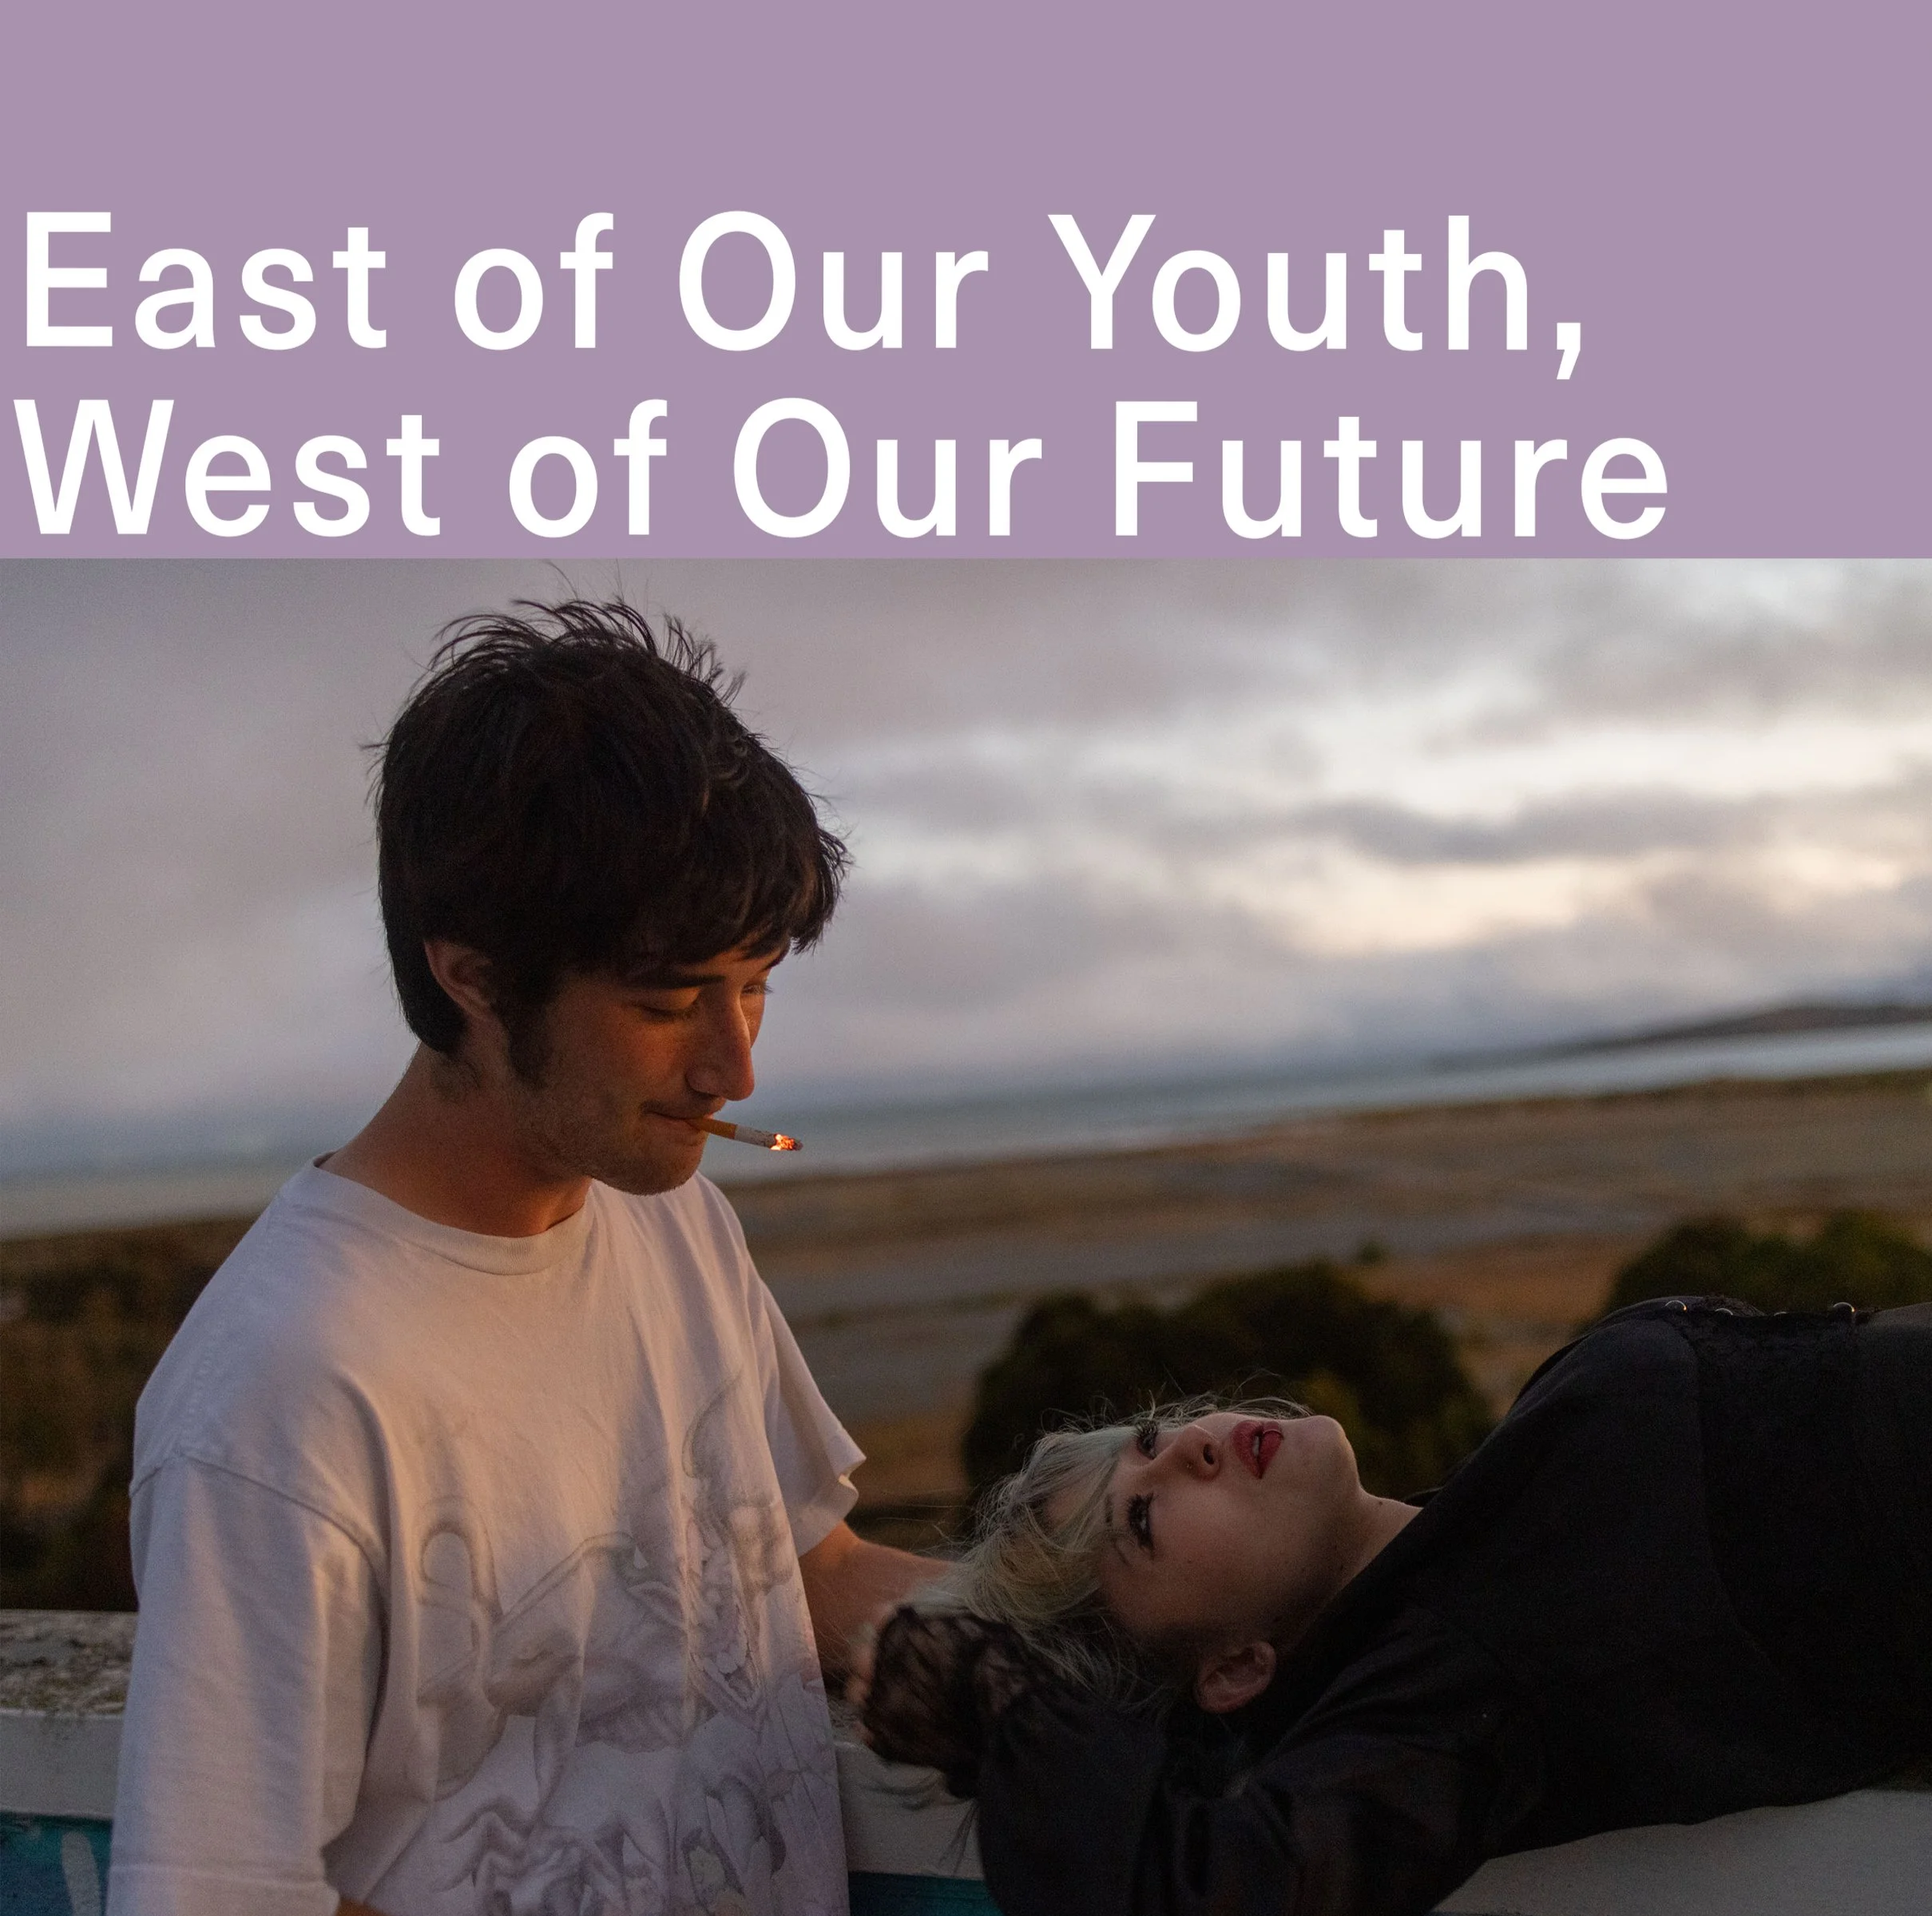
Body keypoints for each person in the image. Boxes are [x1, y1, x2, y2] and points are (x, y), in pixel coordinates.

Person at [109, 601, 940, 1916]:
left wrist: (1239, 1627)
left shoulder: (670, 1217)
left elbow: (804, 1575)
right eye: (669, 1003)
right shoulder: (283, 1397)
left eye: (758, 982)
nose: (735, 1066)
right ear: (474, 980)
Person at [860, 1295, 1932, 1916]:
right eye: (1142, 1523)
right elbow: (1225, 1887)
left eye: (1147, 1443)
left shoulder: (1475, 1524)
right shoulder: (1439, 1689)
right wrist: (998, 1705)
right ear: (1233, 1670)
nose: (1186, 1445)